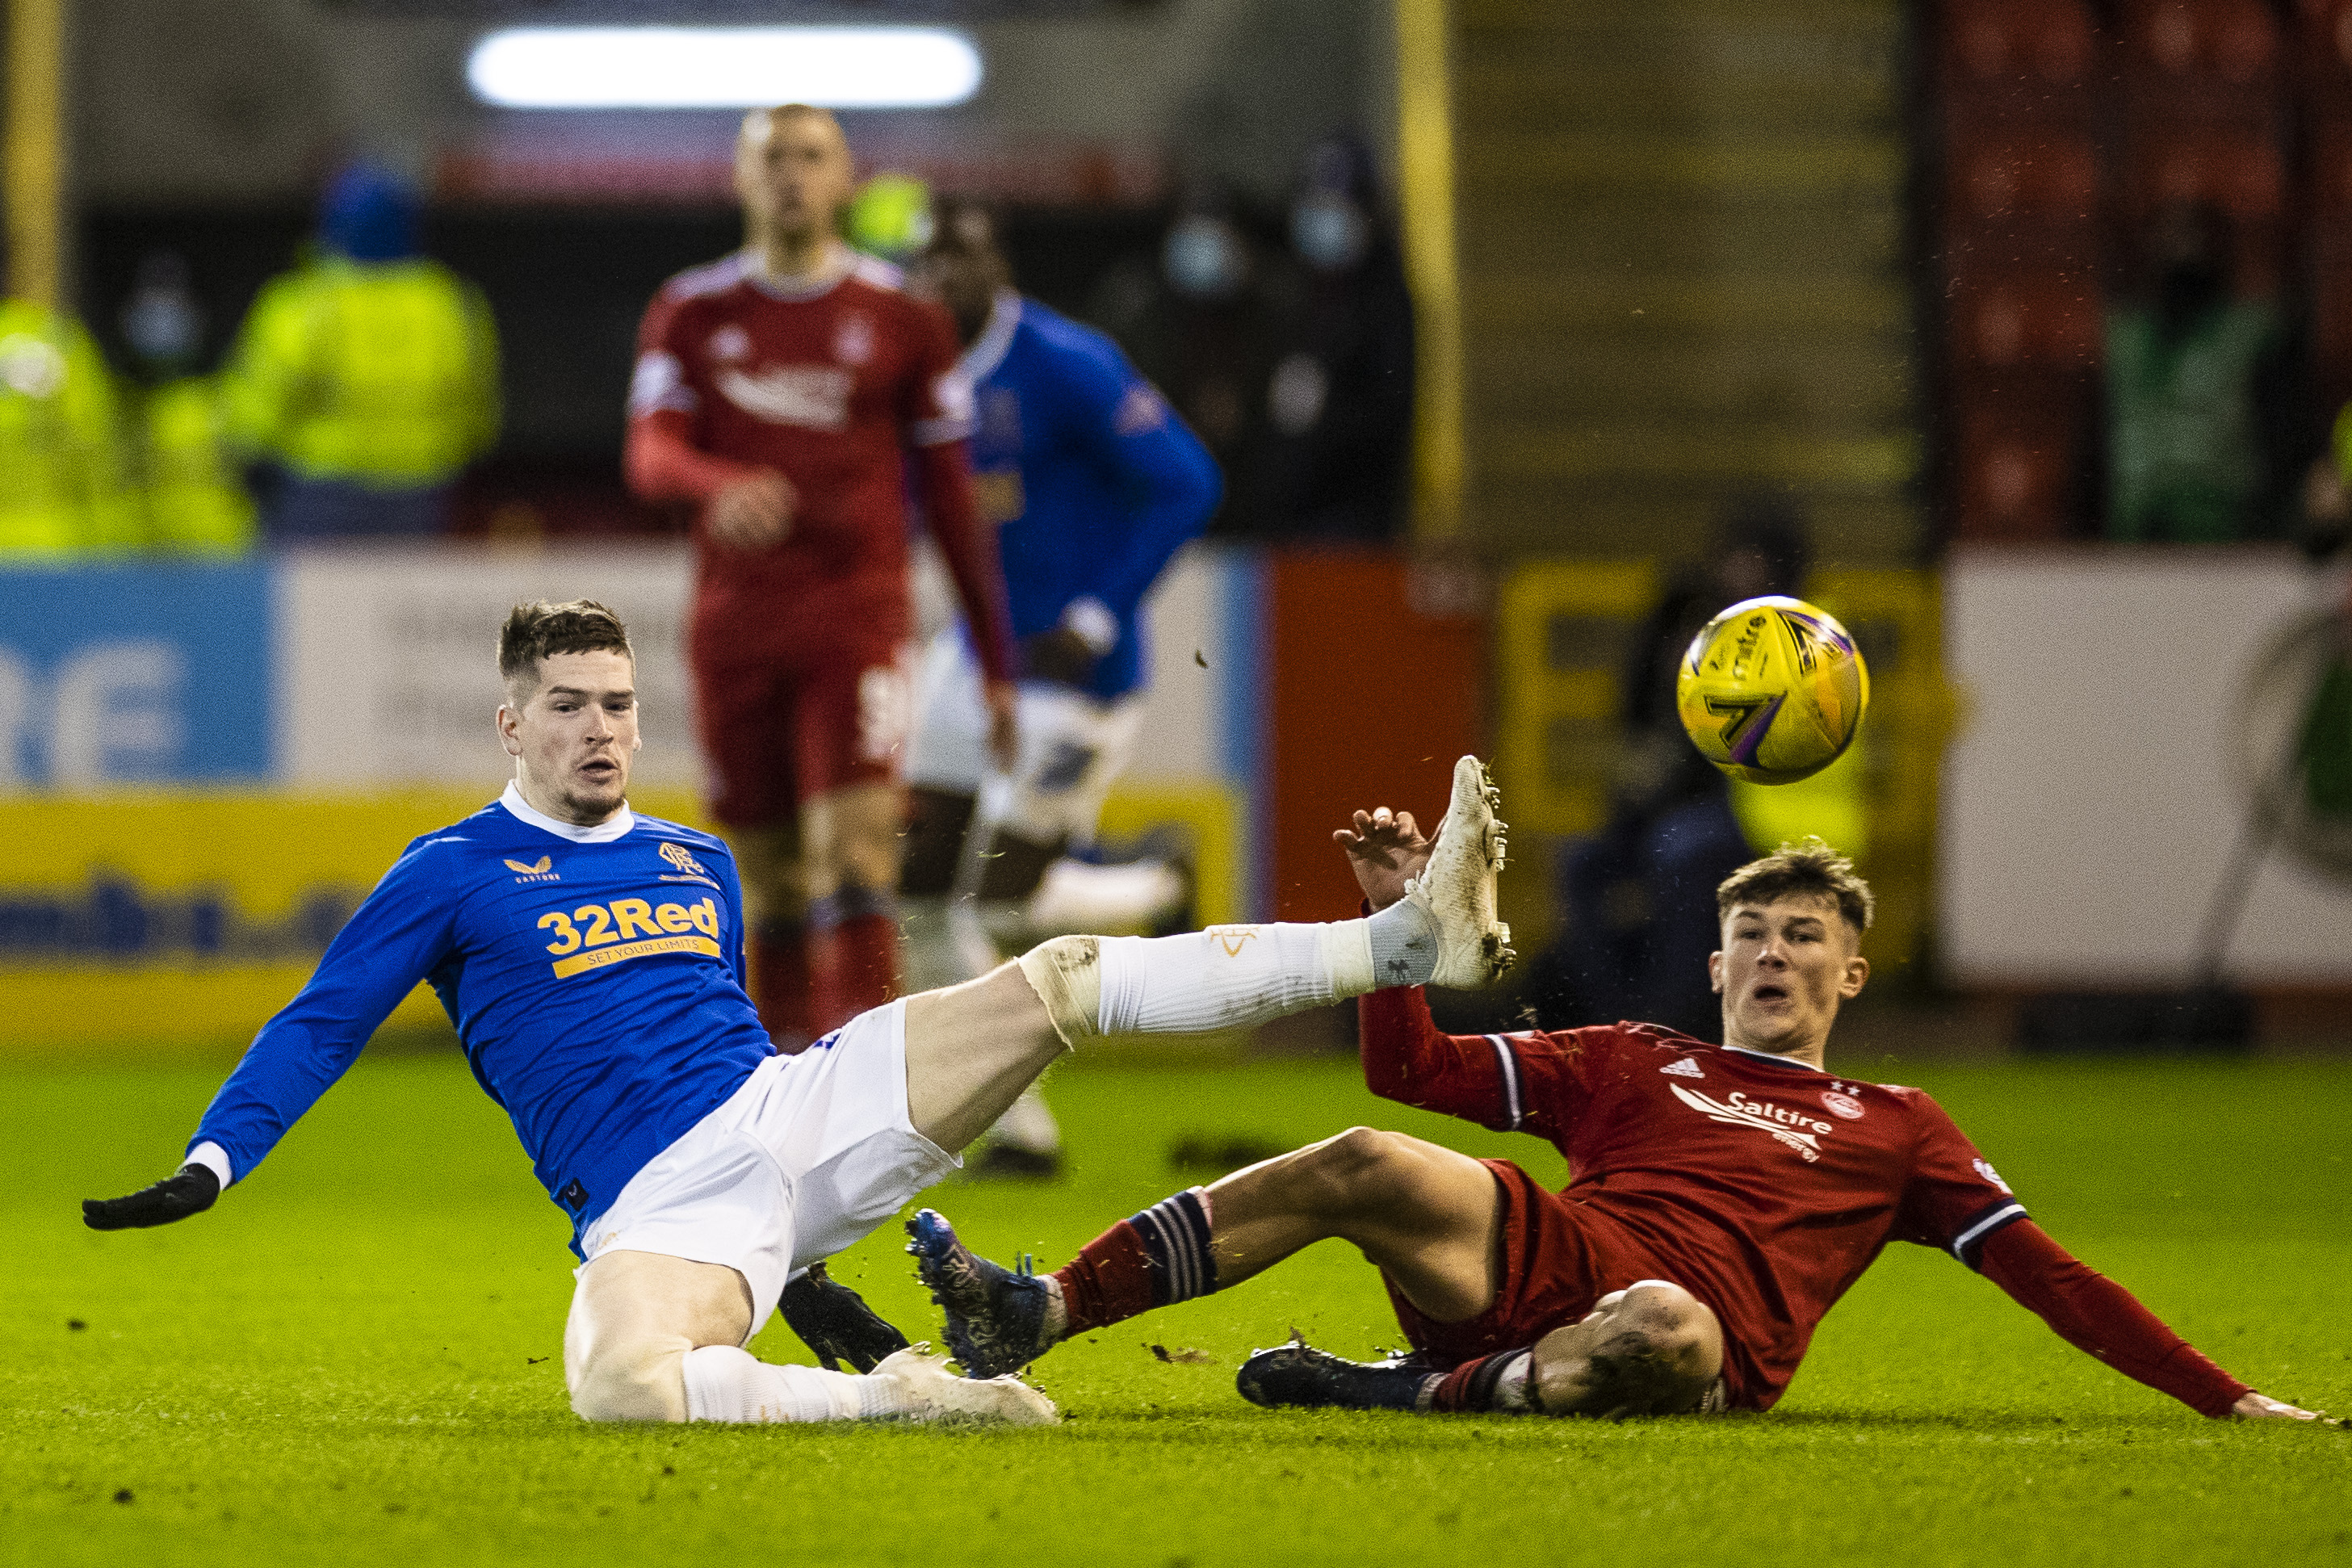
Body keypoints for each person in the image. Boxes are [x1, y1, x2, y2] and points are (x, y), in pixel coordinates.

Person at [80, 601, 1516, 1428]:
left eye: (619, 704)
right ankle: (905, 1400)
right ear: (511, 726)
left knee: (1062, 976)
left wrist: (809, 1238)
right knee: (622, 1390)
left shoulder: (694, 858)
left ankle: (1398, 937)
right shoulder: (448, 871)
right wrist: (216, 1159)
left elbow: (716, 1038)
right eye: (567, 705)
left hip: (790, 1100)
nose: (598, 728)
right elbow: (323, 1022)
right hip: (662, 1198)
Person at [909, 822, 2323, 1424]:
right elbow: (1411, 1080)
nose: (1773, 955)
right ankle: (1034, 1310)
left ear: (1850, 973)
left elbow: (2049, 1276)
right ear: (1714, 967)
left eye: (1802, 938)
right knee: (1365, 1163)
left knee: (1665, 1329)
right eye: (1751, 935)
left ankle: (1383, 1391)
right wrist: (1394, 927)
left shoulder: (1897, 1126)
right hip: (1545, 1262)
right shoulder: (1635, 1060)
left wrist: (2221, 1393)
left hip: (1677, 1337)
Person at [626, 105, 1019, 1046]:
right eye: (773, 158)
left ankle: (863, 1091)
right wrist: (715, 484)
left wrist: (997, 661)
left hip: (856, 622)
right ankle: (784, 1086)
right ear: (739, 179)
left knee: (853, 859)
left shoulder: (903, 320)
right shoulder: (692, 311)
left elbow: (955, 504)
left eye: (811, 157)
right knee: (769, 879)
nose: (791, 175)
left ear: (845, 179)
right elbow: (650, 453)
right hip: (735, 627)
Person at [899, 196, 1224, 1176]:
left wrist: (1096, 612)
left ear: (997, 269)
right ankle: (1021, 1132)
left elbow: (1188, 481)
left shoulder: (1064, 362)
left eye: (961, 262)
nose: (939, 282)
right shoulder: (904, 371)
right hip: (974, 658)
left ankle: (1153, 881)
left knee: (994, 906)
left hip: (1071, 675)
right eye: (924, 264)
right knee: (915, 898)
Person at [1528, 494, 1824, 1038]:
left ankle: (1672, 1022)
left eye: (1754, 560)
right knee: (1582, 863)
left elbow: (1759, 750)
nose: (1740, 572)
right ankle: (1615, 1020)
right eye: (1734, 557)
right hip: (1669, 808)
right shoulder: (1685, 615)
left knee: (1679, 852)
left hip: (1762, 815)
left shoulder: (1808, 643)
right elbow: (1638, 728)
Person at [222, 161, 501, 540]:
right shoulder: (452, 306)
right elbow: (477, 415)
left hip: (320, 491)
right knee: (402, 597)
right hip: (421, 492)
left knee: (314, 596)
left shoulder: (307, 303)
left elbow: (254, 414)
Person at [1244, 133, 1414, 543]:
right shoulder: (1296, 290)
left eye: (1337, 210)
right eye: (1314, 208)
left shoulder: (1385, 302)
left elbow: (1390, 417)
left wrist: (1325, 418)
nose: (1323, 222)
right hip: (1284, 517)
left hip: (1353, 520)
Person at [2104, 201, 2303, 544]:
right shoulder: (2124, 338)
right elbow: (2095, 451)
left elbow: (2287, 444)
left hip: (2228, 533)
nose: (2182, 249)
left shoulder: (2256, 335)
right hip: (2133, 538)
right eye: (2171, 236)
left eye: (2195, 236)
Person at [119, 249, 255, 556]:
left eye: (173, 302)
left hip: (221, 563)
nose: (161, 317)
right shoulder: (116, 406)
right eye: (150, 303)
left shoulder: (227, 399)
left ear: (197, 317)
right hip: (138, 571)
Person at [0, 278, 136, 556]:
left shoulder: (63, 338)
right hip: (64, 547)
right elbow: (99, 448)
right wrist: (115, 544)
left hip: (60, 549)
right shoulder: (63, 339)